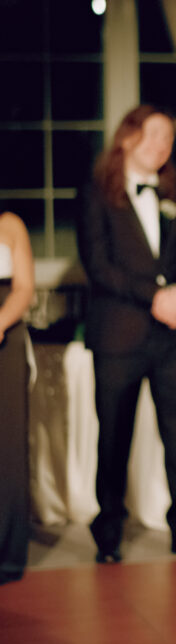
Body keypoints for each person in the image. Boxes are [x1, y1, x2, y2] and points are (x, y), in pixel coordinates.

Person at [77, 105, 176, 564]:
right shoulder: (96, 195)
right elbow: (98, 266)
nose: (162, 146)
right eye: (154, 135)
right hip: (120, 338)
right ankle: (109, 533)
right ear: (128, 137)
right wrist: (153, 297)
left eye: (169, 139)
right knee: (114, 436)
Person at [0, 206, 34, 584]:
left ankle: (7, 551)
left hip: (4, 336)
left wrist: (0, 321)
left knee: (7, 444)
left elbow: (24, 287)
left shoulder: (10, 224)